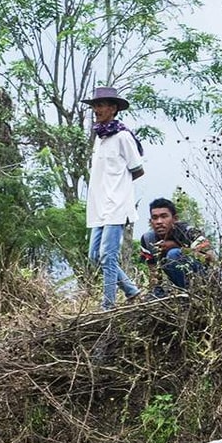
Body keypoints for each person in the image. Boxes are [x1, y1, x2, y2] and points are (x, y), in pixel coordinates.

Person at [83, 86, 144, 310]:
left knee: (108, 256)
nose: (96, 110)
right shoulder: (101, 137)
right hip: (99, 207)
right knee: (94, 255)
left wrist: (120, 189)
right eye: (95, 106)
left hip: (116, 205)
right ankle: (130, 290)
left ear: (113, 108)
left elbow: (137, 168)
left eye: (100, 105)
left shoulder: (123, 137)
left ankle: (107, 307)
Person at [138, 197, 215, 292]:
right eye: (155, 218)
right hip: (174, 284)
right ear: (151, 222)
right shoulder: (148, 240)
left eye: (164, 216)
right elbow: (154, 273)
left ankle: (194, 294)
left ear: (175, 219)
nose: (159, 222)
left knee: (173, 254)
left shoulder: (188, 232)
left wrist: (178, 248)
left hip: (204, 280)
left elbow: (210, 258)